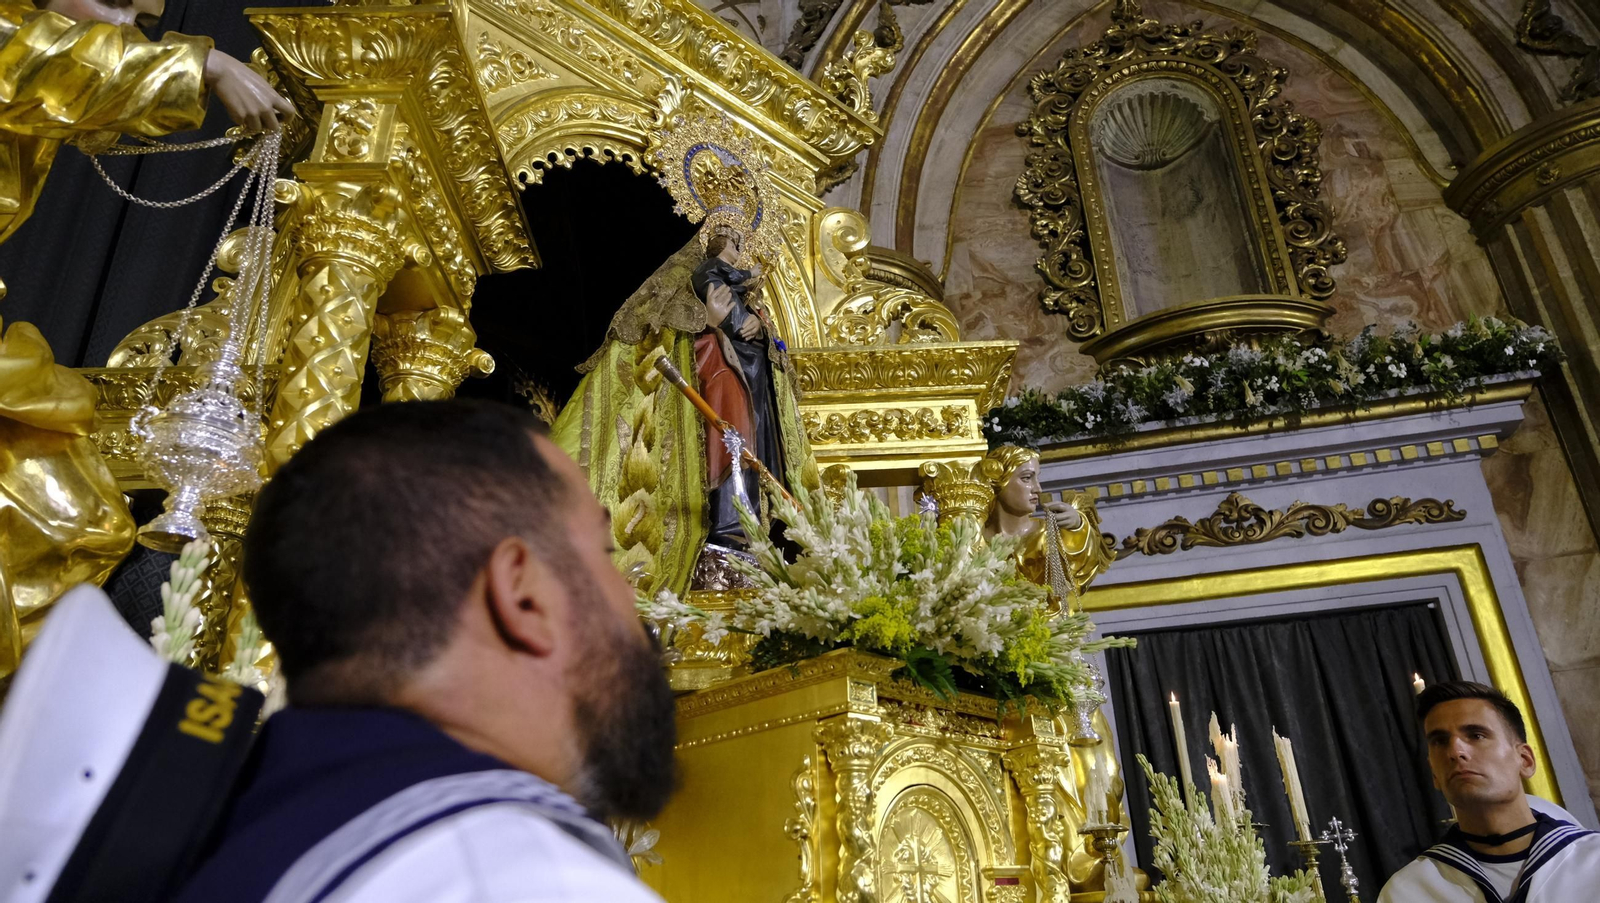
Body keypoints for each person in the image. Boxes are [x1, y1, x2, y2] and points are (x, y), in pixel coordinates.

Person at [172, 400, 677, 903]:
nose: (632, 598)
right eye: (606, 555)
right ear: (524, 596)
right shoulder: (515, 878)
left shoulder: (235, 847)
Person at [1378, 681, 1598, 903]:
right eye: (1440, 741)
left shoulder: (1592, 860)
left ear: (1525, 760)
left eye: (1476, 735)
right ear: (1434, 774)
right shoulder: (1407, 892)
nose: (1455, 751)